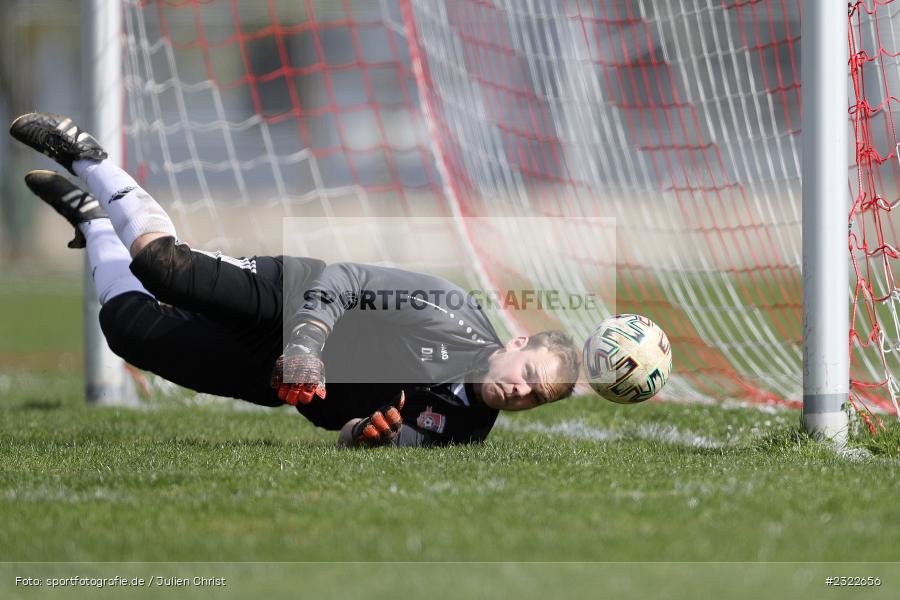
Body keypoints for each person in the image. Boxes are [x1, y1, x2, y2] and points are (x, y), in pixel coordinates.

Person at [10, 112, 581, 447]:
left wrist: (364, 435)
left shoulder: (466, 431)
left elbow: (365, 436)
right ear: (517, 343)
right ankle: (86, 155)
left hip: (278, 379)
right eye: (529, 375)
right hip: (292, 300)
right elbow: (346, 277)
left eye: (535, 398)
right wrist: (308, 345)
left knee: (127, 330)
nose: (521, 393)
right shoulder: (447, 307)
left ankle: (92, 220)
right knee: (164, 270)